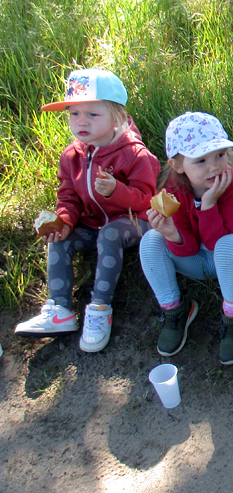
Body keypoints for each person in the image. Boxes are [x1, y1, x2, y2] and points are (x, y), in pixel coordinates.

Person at [14, 68, 159, 352]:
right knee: (60, 239)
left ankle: (100, 307)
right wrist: (65, 220)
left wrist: (116, 191)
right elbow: (68, 195)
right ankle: (59, 308)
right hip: (91, 224)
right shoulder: (73, 155)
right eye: (74, 114)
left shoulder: (135, 154)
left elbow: (146, 199)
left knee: (110, 234)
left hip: (132, 223)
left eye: (93, 114)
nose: (82, 122)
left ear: (117, 116)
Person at [140, 112, 233, 365]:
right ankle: (174, 309)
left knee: (226, 247)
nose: (214, 166)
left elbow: (217, 243)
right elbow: (191, 248)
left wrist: (208, 206)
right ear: (177, 165)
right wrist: (172, 234)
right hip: (198, 258)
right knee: (151, 239)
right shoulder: (172, 191)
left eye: (220, 154)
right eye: (201, 160)